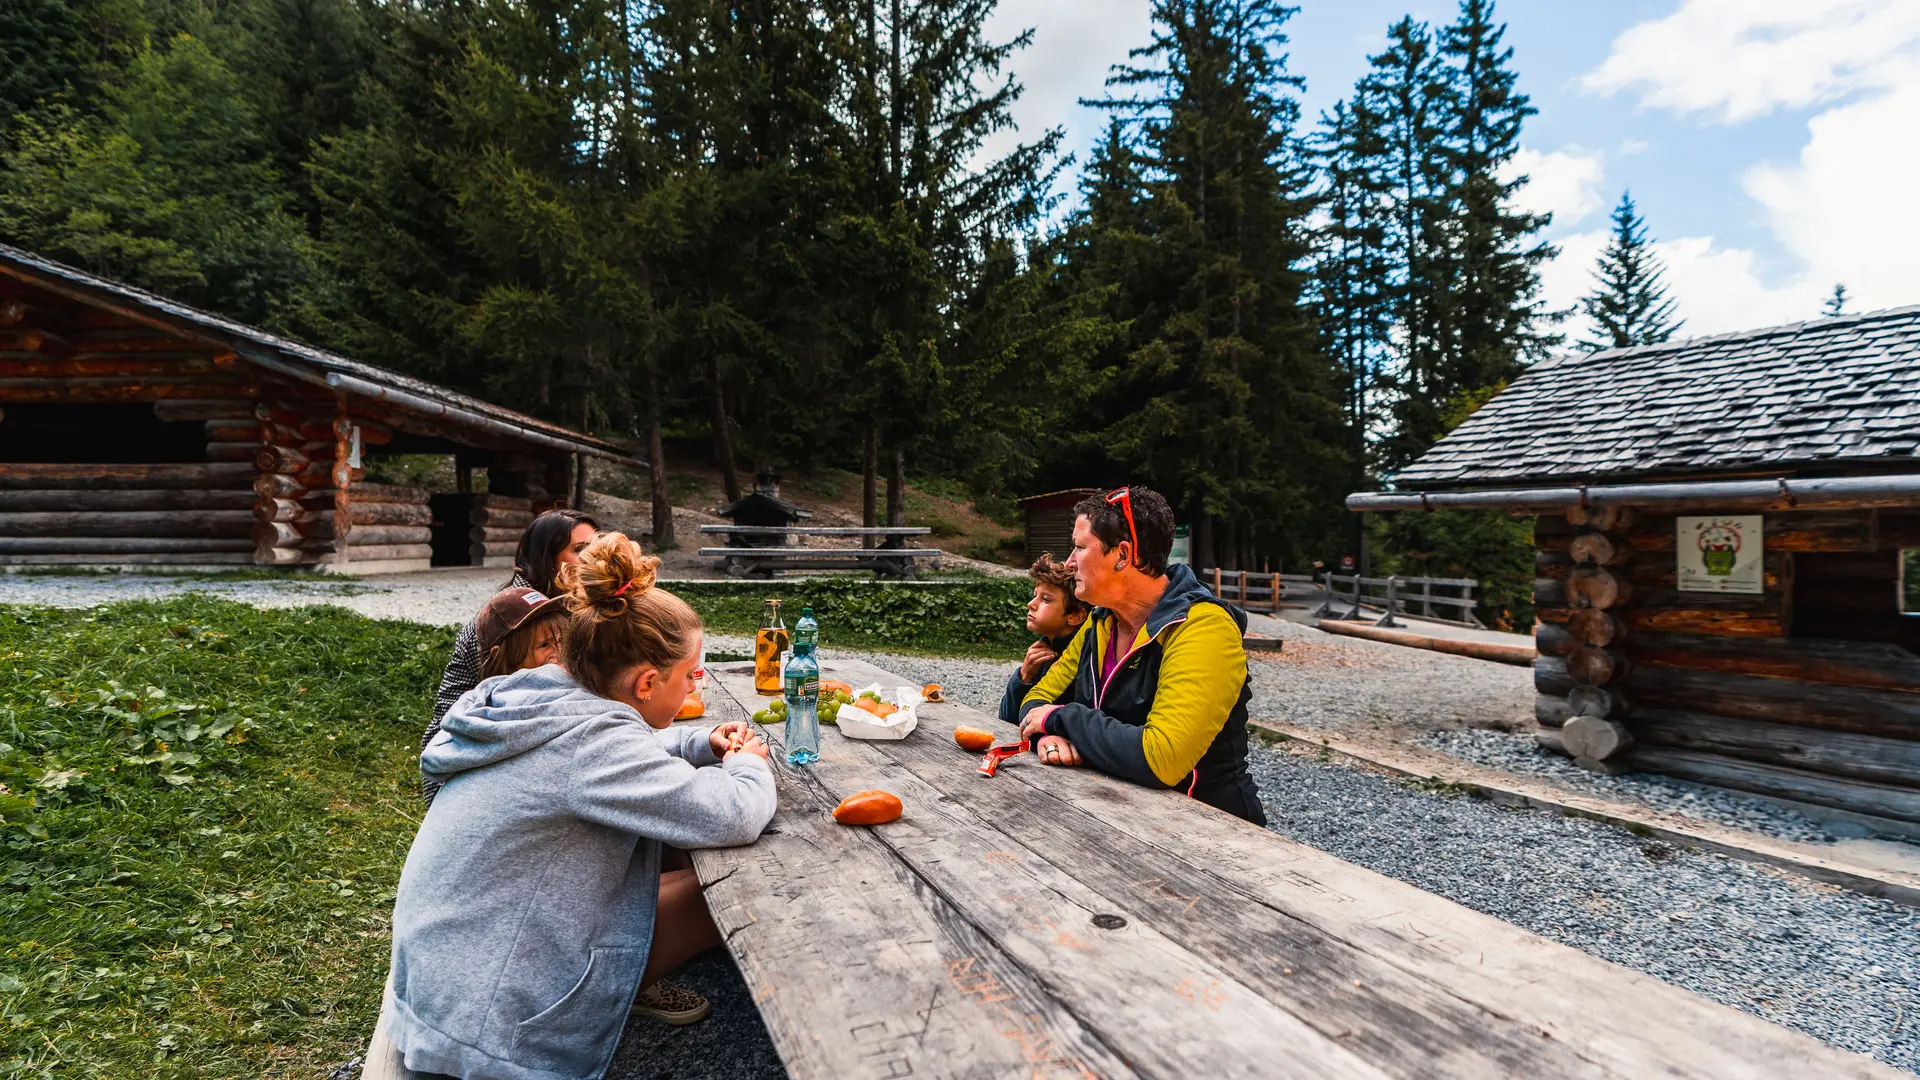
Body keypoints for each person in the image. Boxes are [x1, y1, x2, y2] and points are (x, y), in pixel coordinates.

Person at [384, 533, 777, 1079]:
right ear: (646, 682)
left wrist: (693, 743)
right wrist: (750, 763)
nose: (697, 682)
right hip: (491, 1032)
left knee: (677, 868)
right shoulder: (593, 742)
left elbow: (581, 758)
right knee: (736, 883)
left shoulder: (538, 696)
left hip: (445, 982)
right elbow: (730, 812)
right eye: (692, 675)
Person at [1016, 487, 1266, 825]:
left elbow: (1161, 757)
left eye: (1078, 547)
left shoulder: (1203, 627)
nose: (1069, 562)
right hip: (1124, 816)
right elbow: (1037, 700)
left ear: (1122, 554)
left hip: (1210, 830)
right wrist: (1049, 734)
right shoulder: (1100, 620)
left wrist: (1062, 720)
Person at [422, 508, 597, 803]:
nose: (592, 558)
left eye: (595, 548)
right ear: (546, 556)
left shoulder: (570, 602)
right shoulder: (514, 617)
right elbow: (528, 705)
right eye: (580, 550)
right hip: (464, 760)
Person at [996, 554, 1091, 725]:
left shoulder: (1086, 660)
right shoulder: (1042, 651)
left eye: (1045, 599)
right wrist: (1023, 677)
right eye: (1035, 595)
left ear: (1075, 616)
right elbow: (1005, 721)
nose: (1031, 604)